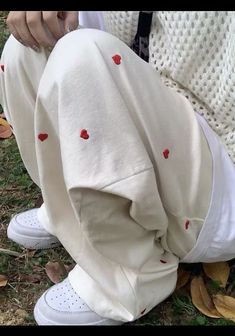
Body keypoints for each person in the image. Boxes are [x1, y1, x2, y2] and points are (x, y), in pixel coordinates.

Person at [0, 11, 235, 325]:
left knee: (82, 54)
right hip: (164, 121)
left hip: (221, 182)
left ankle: (131, 278)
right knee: (30, 44)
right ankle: (67, 212)